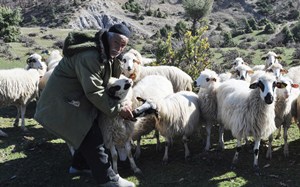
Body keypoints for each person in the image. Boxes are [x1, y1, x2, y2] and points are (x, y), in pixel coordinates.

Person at [34, 23, 135, 187]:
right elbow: (94, 91)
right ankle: (109, 180)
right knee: (91, 135)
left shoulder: (107, 54)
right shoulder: (89, 56)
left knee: (90, 130)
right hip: (62, 102)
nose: (119, 48)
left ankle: (79, 165)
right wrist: (118, 109)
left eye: (123, 45)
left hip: (75, 100)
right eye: (117, 42)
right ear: (108, 38)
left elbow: (108, 81)